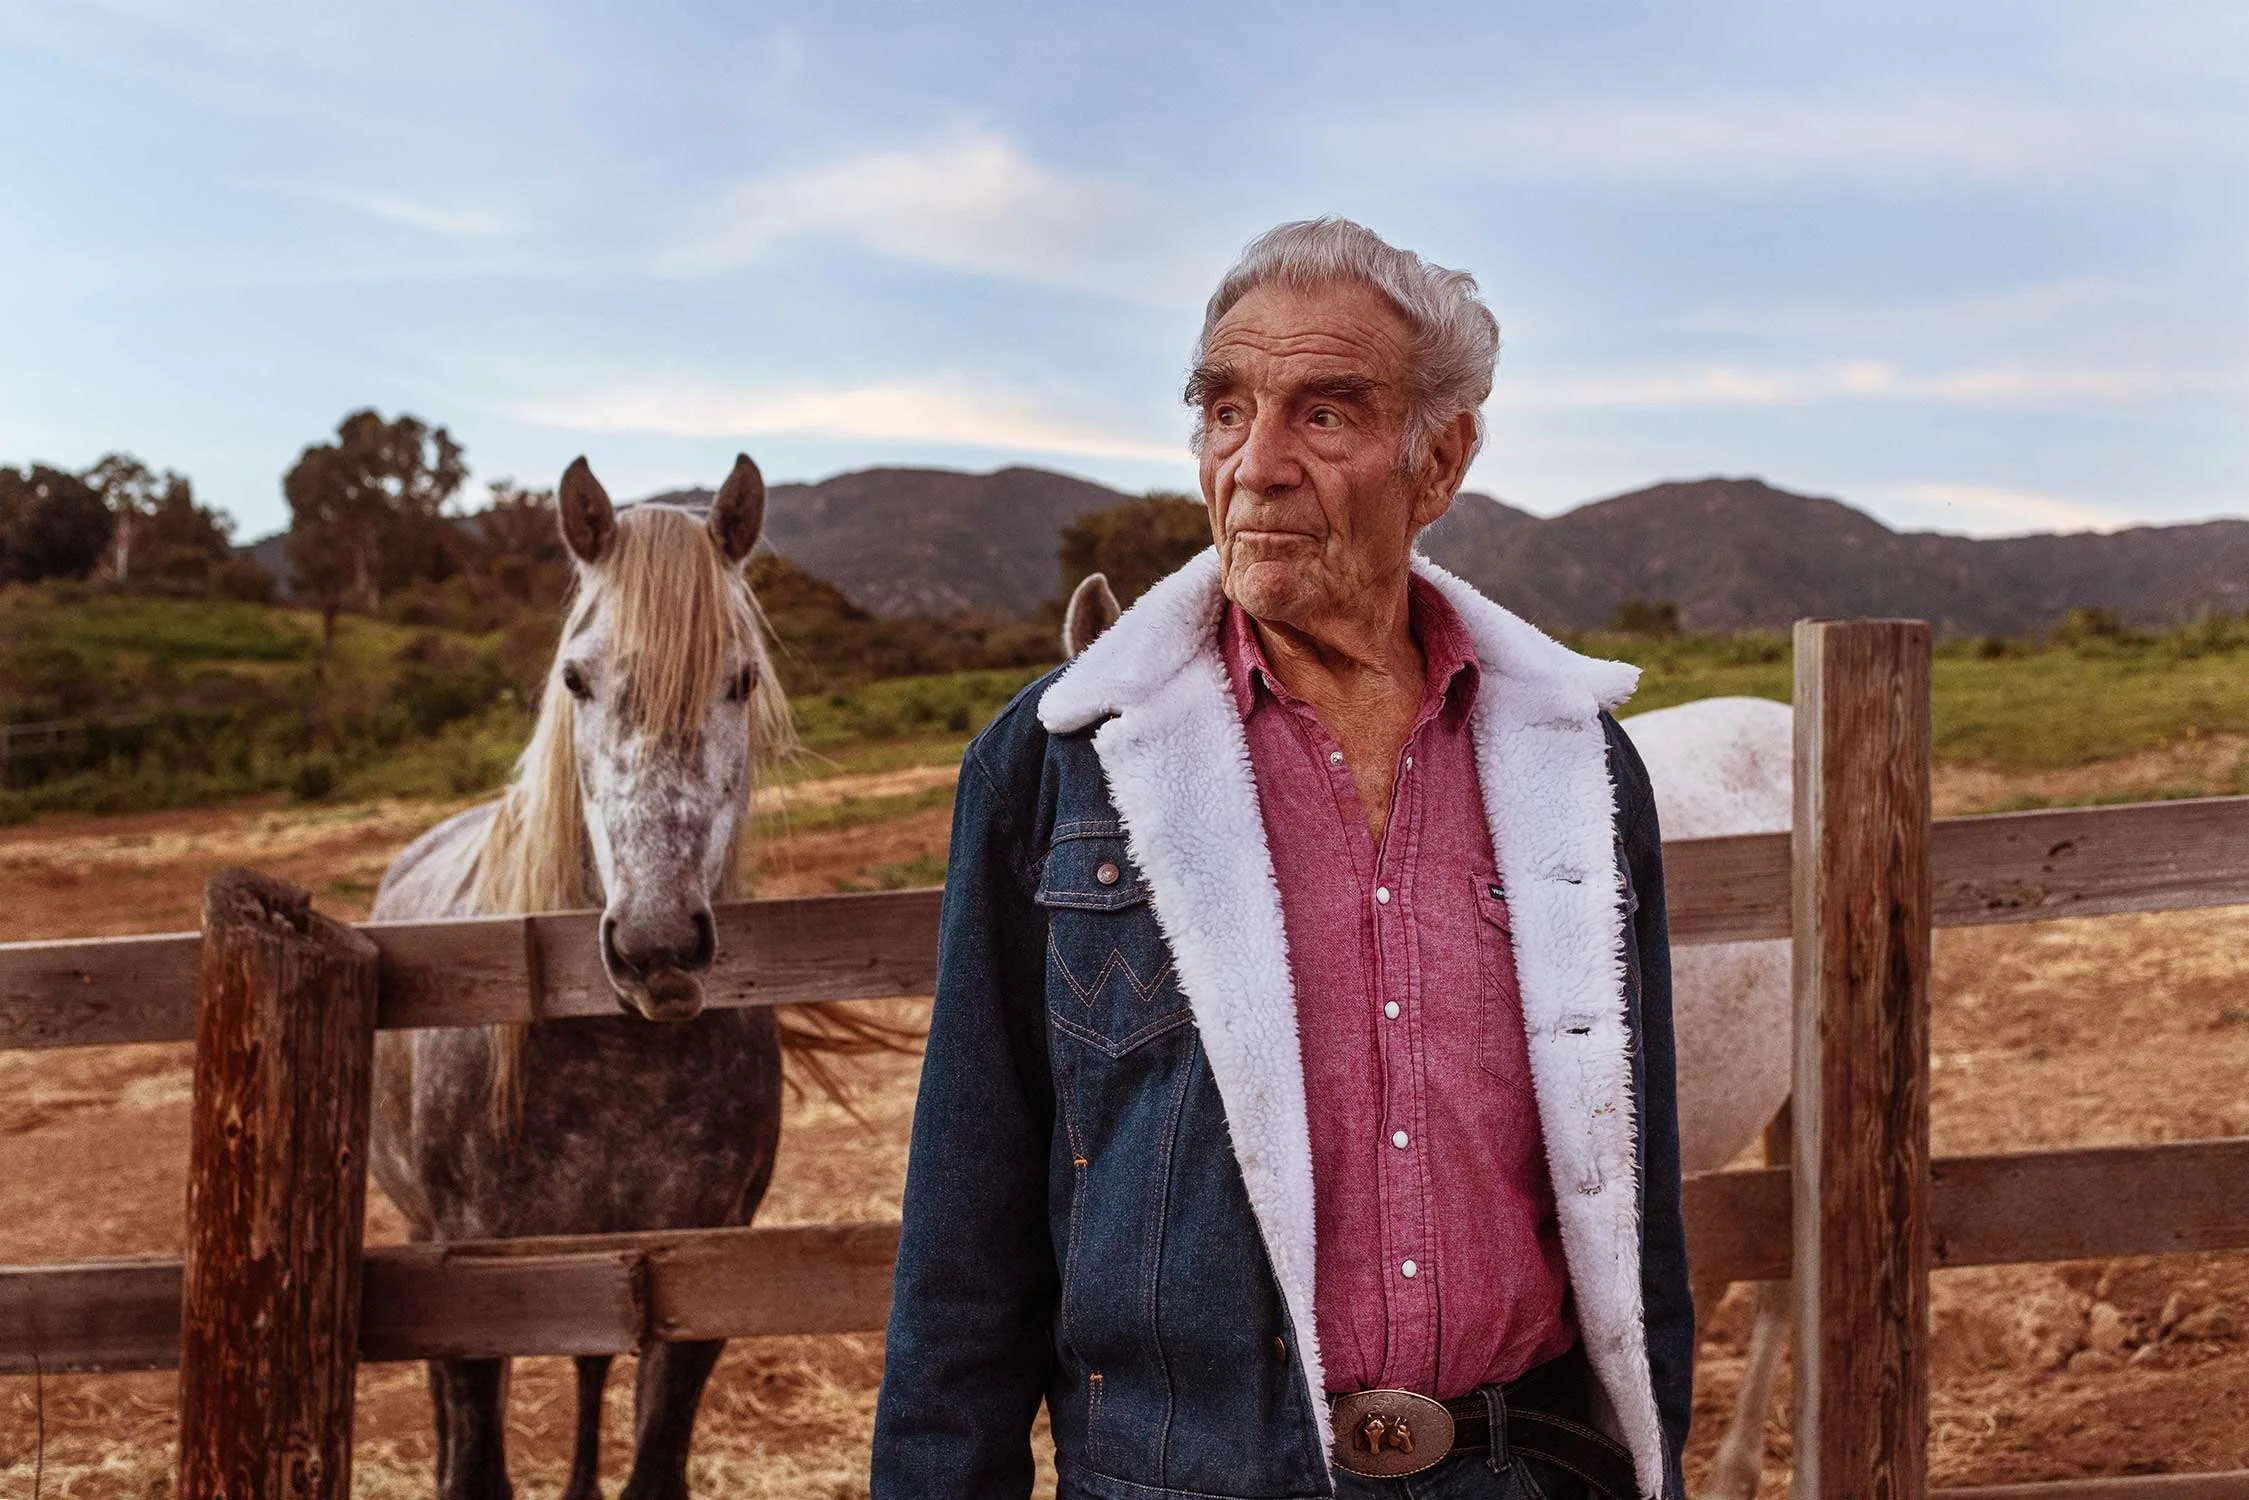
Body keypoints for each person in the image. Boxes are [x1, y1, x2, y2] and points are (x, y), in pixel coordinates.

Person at [871, 218, 1691, 1500]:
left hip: (1512, 1471)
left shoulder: (1576, 767)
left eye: (1322, 415)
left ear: (1441, 458)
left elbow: (1633, 1205)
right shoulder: (1057, 764)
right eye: (1222, 410)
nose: (1254, 466)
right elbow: (963, 1255)